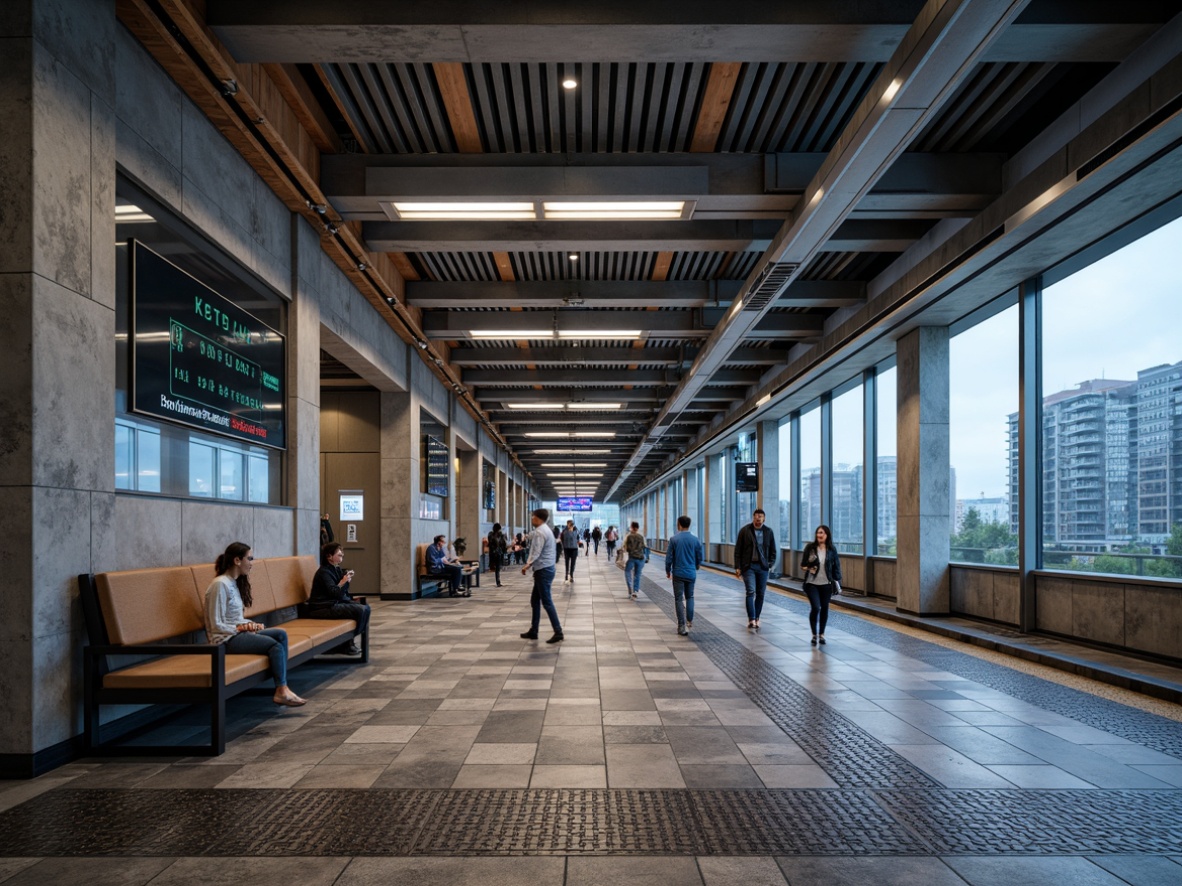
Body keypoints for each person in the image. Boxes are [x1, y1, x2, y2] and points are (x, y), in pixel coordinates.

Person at [204, 542, 305, 706]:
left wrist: (250, 624)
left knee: (280, 635)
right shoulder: (220, 584)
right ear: (237, 560)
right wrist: (241, 628)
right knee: (275, 646)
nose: (251, 563)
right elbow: (216, 624)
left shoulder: (232, 583)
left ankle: (282, 685)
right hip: (225, 640)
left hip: (236, 634)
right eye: (249, 558)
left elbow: (234, 618)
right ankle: (281, 690)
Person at [308, 542, 371, 655]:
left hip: (333, 603)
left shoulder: (335, 569)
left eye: (342, 555)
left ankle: (348, 642)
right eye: (339, 555)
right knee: (360, 610)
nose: (341, 557)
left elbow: (340, 585)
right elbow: (334, 592)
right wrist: (343, 582)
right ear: (329, 556)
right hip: (323, 607)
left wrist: (345, 577)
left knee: (365, 608)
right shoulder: (323, 572)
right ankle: (347, 643)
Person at [520, 508, 563, 643]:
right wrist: (526, 536)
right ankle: (534, 630)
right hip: (546, 569)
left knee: (547, 602)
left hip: (543, 570)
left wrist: (527, 564)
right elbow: (533, 537)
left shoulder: (540, 532)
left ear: (538, 518)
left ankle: (558, 631)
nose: (532, 519)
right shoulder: (545, 529)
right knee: (535, 600)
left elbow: (536, 551)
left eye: (533, 517)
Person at [734, 508, 777, 630]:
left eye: (760, 517)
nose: (758, 519)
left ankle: (757, 617)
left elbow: (773, 550)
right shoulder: (745, 531)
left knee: (761, 594)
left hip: (763, 567)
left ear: (764, 518)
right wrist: (738, 566)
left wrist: (770, 564)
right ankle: (751, 619)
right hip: (749, 566)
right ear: (753, 518)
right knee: (750, 591)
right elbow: (738, 550)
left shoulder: (768, 532)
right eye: (756, 517)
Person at [802, 524, 843, 646]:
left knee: (824, 608)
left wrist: (838, 582)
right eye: (818, 533)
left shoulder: (832, 549)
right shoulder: (810, 547)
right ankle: (814, 634)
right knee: (816, 607)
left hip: (826, 584)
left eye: (822, 533)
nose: (819, 535)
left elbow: (836, 566)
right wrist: (809, 567)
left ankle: (822, 634)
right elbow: (802, 565)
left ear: (827, 535)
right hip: (811, 583)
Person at [665, 515, 704, 636]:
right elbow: (700, 557)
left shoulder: (674, 539)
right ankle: (690, 619)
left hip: (678, 573)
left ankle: (681, 625)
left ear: (679, 524)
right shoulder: (695, 540)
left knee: (678, 599)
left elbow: (669, 558)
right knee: (690, 597)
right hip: (691, 573)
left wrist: (668, 570)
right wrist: (696, 566)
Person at [623, 521, 648, 599]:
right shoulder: (641, 536)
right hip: (640, 558)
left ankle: (630, 588)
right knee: (637, 574)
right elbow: (645, 547)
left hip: (632, 558)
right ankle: (635, 591)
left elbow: (625, 547)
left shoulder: (628, 536)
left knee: (627, 571)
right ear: (638, 528)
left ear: (631, 527)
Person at [488, 522, 509, 587]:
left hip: (499, 553)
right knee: (495, 567)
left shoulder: (501, 535)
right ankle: (498, 581)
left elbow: (503, 544)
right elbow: (491, 543)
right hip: (493, 553)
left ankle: (498, 581)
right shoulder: (491, 534)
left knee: (498, 568)